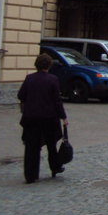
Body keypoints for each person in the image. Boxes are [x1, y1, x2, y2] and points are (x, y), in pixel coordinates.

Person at [17, 53, 68, 184]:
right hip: (48, 117)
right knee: (51, 145)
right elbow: (57, 101)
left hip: (31, 117)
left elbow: (21, 95)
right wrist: (64, 117)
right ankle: (55, 167)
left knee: (31, 146)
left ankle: (30, 174)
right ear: (49, 65)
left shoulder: (29, 78)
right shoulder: (53, 79)